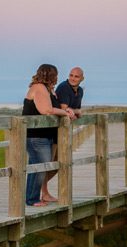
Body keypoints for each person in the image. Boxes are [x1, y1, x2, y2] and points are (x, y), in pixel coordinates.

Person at [22, 64, 75, 207]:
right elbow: (46, 110)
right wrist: (65, 113)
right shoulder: (39, 87)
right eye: (55, 75)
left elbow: (54, 106)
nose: (57, 78)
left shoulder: (47, 89)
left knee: (39, 165)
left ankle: (35, 196)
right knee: (41, 165)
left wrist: (67, 110)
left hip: (44, 135)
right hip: (35, 136)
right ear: (51, 75)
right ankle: (31, 199)